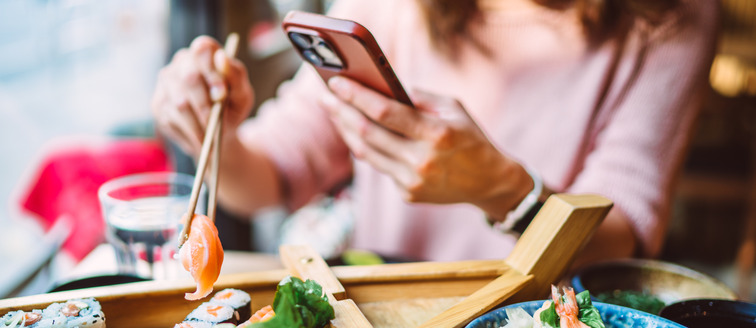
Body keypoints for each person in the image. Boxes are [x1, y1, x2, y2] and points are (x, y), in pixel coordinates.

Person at [151, 0, 719, 266]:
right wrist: (214, 129)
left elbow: (624, 232)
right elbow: (271, 175)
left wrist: (505, 191)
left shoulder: (672, 16)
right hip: (382, 326)